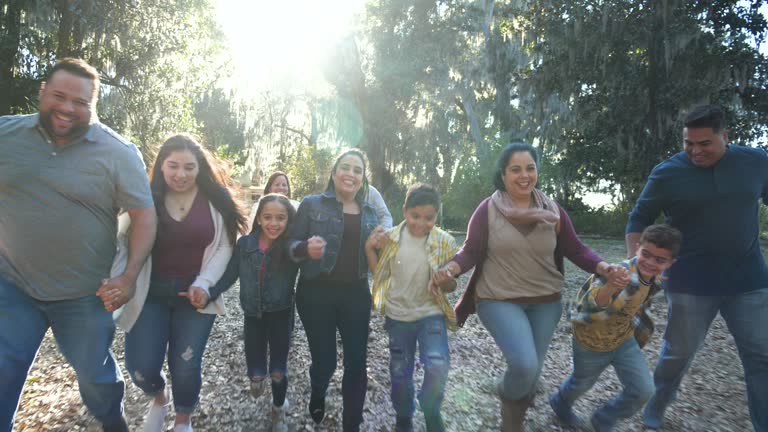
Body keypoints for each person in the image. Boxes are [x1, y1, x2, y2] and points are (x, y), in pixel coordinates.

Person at [0, 58, 157, 432]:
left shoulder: (118, 153)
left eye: (80, 102)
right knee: (4, 364)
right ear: (42, 92)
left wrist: (130, 276)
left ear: (93, 105)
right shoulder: (6, 136)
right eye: (59, 95)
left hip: (85, 294)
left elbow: (145, 216)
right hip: (14, 284)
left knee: (94, 374)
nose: (68, 107)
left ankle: (110, 418)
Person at [434, 142, 627, 432]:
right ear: (503, 174)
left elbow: (575, 249)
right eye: (516, 170)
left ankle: (514, 412)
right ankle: (507, 405)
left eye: (530, 168)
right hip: (498, 299)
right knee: (524, 366)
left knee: (531, 375)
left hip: (546, 302)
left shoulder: (553, 210)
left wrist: (603, 267)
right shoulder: (488, 209)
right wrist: (451, 267)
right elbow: (470, 251)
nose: (524, 175)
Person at [626, 104, 768, 431]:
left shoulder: (756, 162)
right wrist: (639, 269)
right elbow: (639, 219)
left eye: (705, 144)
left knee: (762, 356)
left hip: (748, 280)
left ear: (726, 136)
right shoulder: (667, 172)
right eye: (689, 143)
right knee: (678, 355)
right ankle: (656, 409)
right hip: (689, 282)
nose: (695, 151)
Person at [123, 134, 246, 432]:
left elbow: (225, 247)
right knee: (140, 367)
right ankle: (159, 397)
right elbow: (119, 240)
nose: (181, 174)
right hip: (149, 294)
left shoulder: (216, 201)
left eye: (189, 167)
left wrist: (205, 284)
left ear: (200, 168)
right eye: (173, 166)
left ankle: (182, 420)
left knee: (186, 364)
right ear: (161, 166)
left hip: (194, 297)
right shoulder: (144, 198)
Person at [549, 224, 682, 431]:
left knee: (644, 390)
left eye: (660, 260)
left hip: (623, 339)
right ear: (637, 247)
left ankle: (604, 417)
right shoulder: (619, 272)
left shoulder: (655, 277)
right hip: (590, 340)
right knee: (582, 383)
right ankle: (560, 401)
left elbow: (644, 295)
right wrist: (611, 286)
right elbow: (593, 303)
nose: (650, 262)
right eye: (646, 254)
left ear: (671, 262)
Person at [288, 148, 382, 432]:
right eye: (346, 167)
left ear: (363, 178)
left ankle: (352, 422)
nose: (351, 174)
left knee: (357, 362)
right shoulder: (311, 204)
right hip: (315, 294)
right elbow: (290, 247)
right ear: (333, 172)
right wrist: (306, 248)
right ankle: (318, 390)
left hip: (355, 294)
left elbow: (374, 259)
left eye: (358, 170)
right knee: (325, 360)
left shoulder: (370, 213)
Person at [366, 184, 459, 432]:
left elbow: (451, 285)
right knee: (399, 371)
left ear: (437, 215)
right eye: (415, 216)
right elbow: (380, 274)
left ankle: (430, 406)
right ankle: (404, 415)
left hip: (431, 314)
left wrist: (445, 279)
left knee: (438, 364)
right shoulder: (391, 239)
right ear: (405, 211)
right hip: (398, 316)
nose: (420, 223)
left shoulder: (445, 242)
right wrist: (369, 249)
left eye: (428, 218)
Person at [211, 193, 298, 432]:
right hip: (253, 317)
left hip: (281, 315)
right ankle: (257, 378)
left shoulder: (290, 247)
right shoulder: (245, 245)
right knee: (257, 374)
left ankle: (279, 409)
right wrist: (210, 292)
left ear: (289, 221)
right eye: (268, 217)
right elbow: (230, 274)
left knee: (278, 371)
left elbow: (303, 255)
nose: (274, 223)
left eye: (281, 218)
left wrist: (312, 250)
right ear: (258, 218)